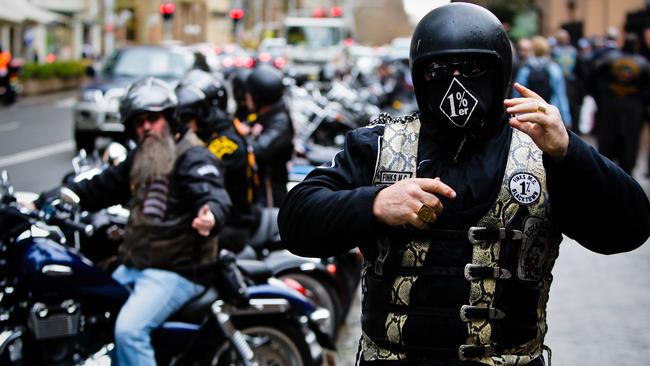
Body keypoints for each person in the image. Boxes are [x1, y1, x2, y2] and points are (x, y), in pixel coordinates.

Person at [278, 4, 650, 366]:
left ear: (499, 71)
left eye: (473, 69)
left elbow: (628, 231)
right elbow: (297, 222)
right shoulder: (378, 145)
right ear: (419, 75)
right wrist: (374, 203)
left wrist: (572, 153)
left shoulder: (542, 149)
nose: (456, 84)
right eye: (439, 70)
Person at [54, 77, 231, 366]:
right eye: (138, 122)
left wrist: (211, 213)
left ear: (170, 118)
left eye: (153, 118)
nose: (145, 127)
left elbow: (213, 193)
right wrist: (55, 196)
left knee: (129, 331)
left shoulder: (193, 156)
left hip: (179, 269)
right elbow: (102, 186)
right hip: (139, 264)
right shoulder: (142, 156)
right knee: (88, 303)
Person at [176, 69, 259, 253]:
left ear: (206, 113)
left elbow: (194, 168)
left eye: (188, 117)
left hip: (232, 226)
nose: (183, 124)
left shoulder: (227, 143)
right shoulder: (209, 134)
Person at [590, 33, 650, 174]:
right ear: (636, 45)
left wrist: (601, 97)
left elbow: (593, 78)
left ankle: (607, 170)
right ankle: (626, 171)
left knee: (607, 139)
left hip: (611, 105)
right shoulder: (643, 63)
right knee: (629, 141)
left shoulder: (608, 59)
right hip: (632, 108)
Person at [241, 65, 294, 208]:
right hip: (259, 188)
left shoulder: (279, 122)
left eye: (249, 93)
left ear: (259, 96)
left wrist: (245, 138)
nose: (247, 96)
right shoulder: (266, 114)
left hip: (270, 193)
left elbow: (258, 149)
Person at [514, 36, 572, 129]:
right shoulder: (553, 67)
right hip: (548, 111)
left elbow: (518, 92)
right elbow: (560, 95)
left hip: (530, 111)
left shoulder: (526, 68)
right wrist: (566, 118)